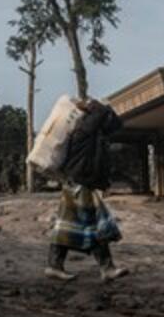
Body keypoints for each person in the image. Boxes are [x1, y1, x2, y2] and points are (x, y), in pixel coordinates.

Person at [45, 99, 129, 282]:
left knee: (78, 225)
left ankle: (56, 265)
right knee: (89, 225)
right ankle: (105, 268)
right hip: (78, 184)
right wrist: (88, 104)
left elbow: (112, 123)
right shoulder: (84, 131)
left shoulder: (93, 136)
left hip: (80, 184)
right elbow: (100, 111)